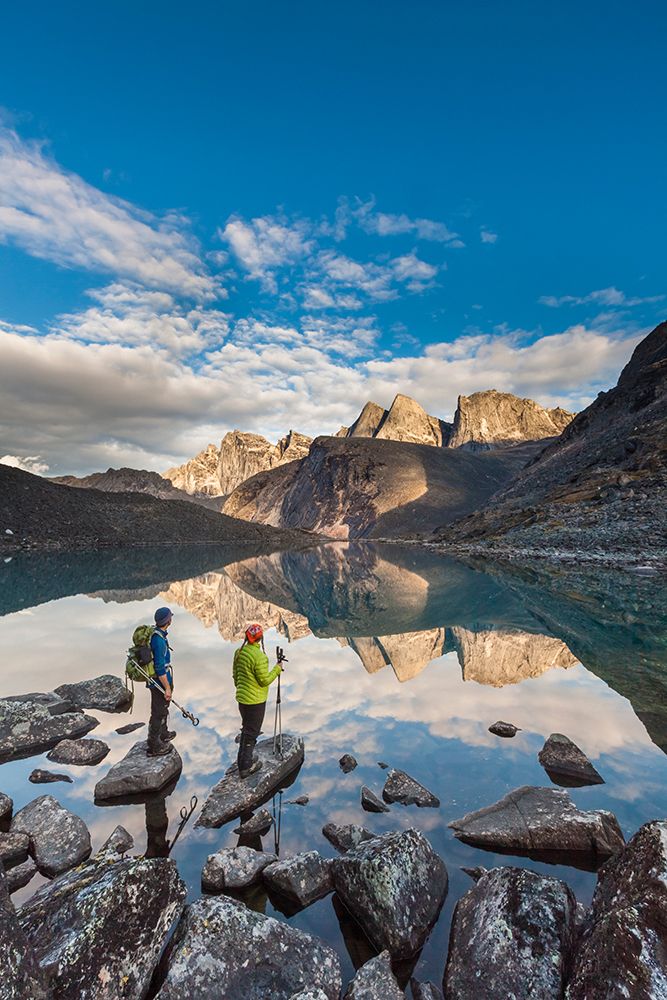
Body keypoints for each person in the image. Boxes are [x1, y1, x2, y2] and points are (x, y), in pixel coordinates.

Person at [233, 623, 283, 778]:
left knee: (246, 730)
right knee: (251, 733)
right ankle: (246, 767)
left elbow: (235, 674)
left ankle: (243, 760)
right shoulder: (260, 657)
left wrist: (241, 689)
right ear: (260, 639)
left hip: (242, 699)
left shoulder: (239, 652)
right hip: (255, 701)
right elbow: (264, 680)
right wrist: (277, 668)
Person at [147, 606, 176, 757]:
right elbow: (159, 667)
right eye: (170, 617)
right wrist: (167, 688)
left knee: (163, 708)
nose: (171, 619)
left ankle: (163, 734)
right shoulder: (158, 640)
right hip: (159, 681)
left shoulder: (159, 634)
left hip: (161, 681)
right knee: (158, 712)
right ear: (167, 621)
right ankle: (154, 746)